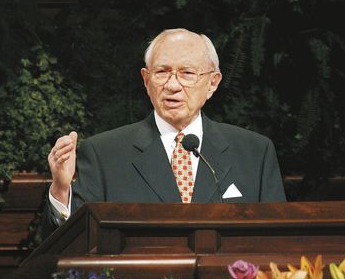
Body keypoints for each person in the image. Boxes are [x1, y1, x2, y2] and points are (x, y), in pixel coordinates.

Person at [40, 28, 286, 238]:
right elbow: (69, 246)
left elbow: (279, 240)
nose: (172, 85)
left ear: (212, 83)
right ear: (146, 81)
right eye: (162, 72)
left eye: (187, 73)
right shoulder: (104, 154)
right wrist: (61, 190)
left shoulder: (255, 152)